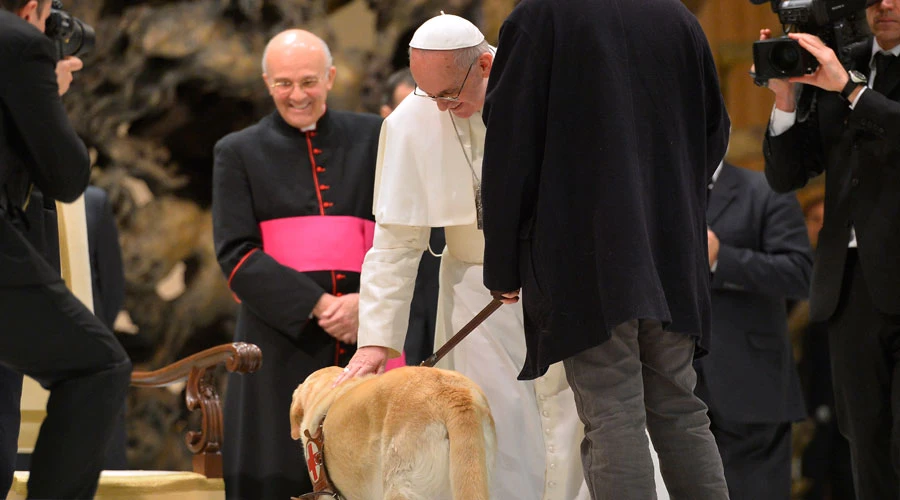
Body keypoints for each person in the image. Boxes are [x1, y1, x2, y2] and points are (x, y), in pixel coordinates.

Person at [479, 0, 732, 498]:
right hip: (673, 250)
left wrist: (503, 265)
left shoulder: (537, 18)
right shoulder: (678, 17)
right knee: (682, 410)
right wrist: (671, 203)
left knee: (612, 412)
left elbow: (510, 150)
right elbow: (715, 133)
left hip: (584, 253)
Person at [337, 14, 592, 500]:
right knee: (494, 430)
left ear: (487, 65)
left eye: (450, 94)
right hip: (475, 299)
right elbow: (394, 243)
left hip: (560, 289)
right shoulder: (411, 120)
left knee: (569, 421)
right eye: (427, 95)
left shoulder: (546, 95)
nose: (440, 108)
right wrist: (376, 340)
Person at [211, 29, 382, 500]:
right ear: (267, 83)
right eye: (284, 83)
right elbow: (236, 254)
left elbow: (402, 232)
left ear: (329, 78)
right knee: (280, 471)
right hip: (280, 339)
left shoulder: (373, 136)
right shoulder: (237, 151)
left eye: (308, 81)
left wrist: (367, 303)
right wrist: (322, 304)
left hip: (367, 330)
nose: (297, 95)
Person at [760, 1, 900, 496]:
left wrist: (849, 88)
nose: (885, 5)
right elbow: (787, 177)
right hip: (849, 284)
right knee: (864, 440)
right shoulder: (844, 63)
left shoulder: (845, 76)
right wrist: (786, 98)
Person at [0, 0, 133, 497]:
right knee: (98, 366)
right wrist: (45, 93)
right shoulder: (19, 43)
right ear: (33, 8)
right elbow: (67, 175)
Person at [695, 161, 812, 499]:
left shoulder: (766, 189)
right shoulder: (658, 190)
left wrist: (721, 259)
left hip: (750, 383)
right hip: (673, 382)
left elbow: (801, 273)